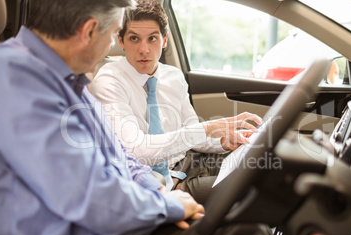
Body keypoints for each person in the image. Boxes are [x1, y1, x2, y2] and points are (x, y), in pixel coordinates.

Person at [0, 0, 288, 235]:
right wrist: (166, 205)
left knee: (246, 227)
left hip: (108, 227)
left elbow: (120, 155)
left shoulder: (63, 79)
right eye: (115, 35)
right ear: (89, 31)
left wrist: (156, 189)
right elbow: (93, 200)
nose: (115, 45)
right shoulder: (15, 80)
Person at [91, 0, 262, 203]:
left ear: (164, 41)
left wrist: (224, 141)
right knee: (251, 192)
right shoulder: (109, 80)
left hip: (188, 163)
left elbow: (191, 129)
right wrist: (207, 128)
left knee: (263, 165)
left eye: (152, 39)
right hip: (157, 181)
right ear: (121, 41)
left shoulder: (174, 77)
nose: (144, 49)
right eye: (134, 38)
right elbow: (137, 151)